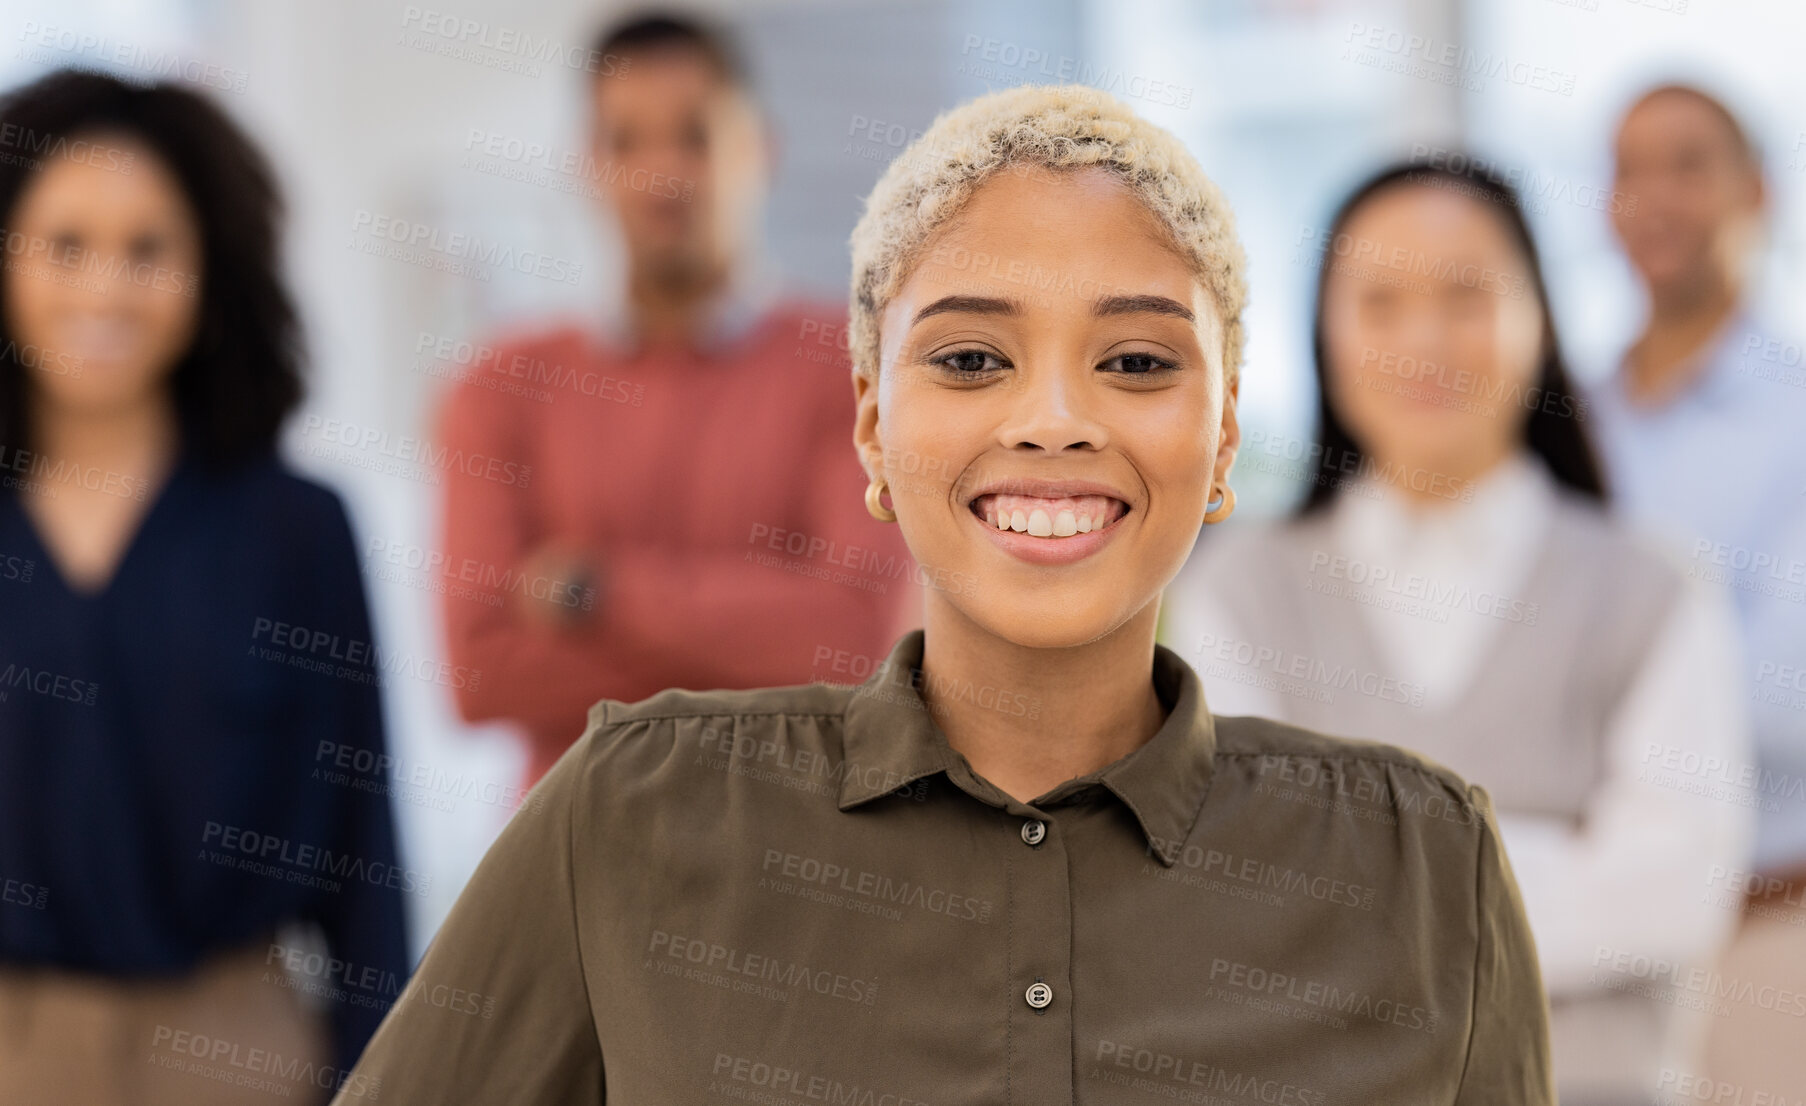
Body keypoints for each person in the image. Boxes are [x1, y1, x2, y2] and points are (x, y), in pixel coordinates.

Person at [333, 85, 1554, 1104]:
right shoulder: (629, 817)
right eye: (972, 358)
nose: (1055, 420)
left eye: (1135, 361)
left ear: (1225, 436)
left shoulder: (1422, 866)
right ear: (871, 424)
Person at [1162, 160, 1755, 1103]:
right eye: (1381, 301)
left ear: (1541, 318)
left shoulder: (1656, 588)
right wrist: (1560, 867)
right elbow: (1238, 894)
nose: (1425, 340)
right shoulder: (1243, 588)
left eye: (1467, 295)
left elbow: (1676, 888)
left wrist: (1358, 893)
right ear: (1324, 332)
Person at [0, 72, 409, 1104]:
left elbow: (365, 856)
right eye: (65, 243)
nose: (105, 287)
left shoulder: (298, 528)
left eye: (148, 248)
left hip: (236, 1050)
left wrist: (382, 1079)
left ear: (210, 271)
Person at [435, 12, 916, 787]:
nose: (663, 173)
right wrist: (754, 631)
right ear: (587, 165)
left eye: (696, 135)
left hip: (798, 874)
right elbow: (483, 671)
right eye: (627, 141)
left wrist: (594, 590)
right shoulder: (500, 387)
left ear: (761, 149)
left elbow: (852, 641)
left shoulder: (853, 372)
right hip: (572, 881)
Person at [1589, 82, 1806, 1090]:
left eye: (1687, 163)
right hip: (1586, 942)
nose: (1653, 197)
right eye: (1628, 169)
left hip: (1765, 936)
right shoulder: (1567, 424)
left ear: (1757, 191)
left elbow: (1782, 698)